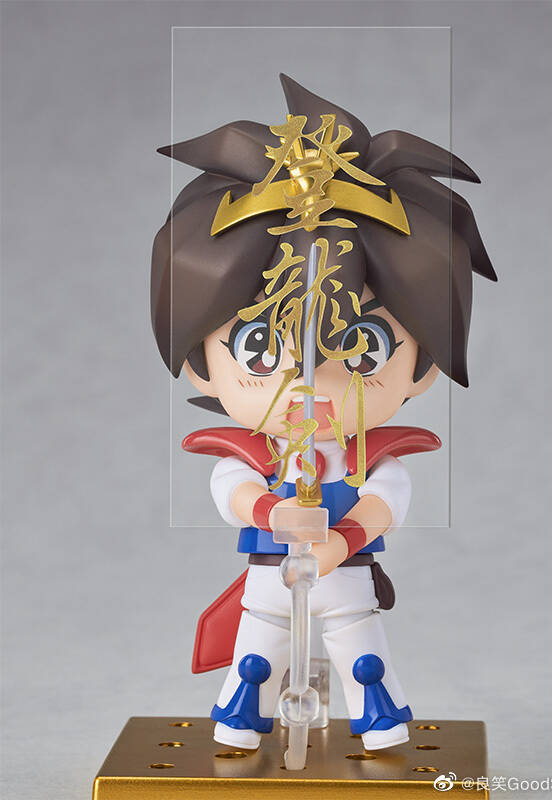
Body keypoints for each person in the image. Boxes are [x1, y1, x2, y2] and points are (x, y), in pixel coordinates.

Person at [151, 74, 496, 751]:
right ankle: (240, 719)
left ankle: (380, 720)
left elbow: (387, 500)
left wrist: (344, 540)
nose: (308, 380)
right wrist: (270, 512)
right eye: (258, 347)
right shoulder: (253, 454)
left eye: (362, 349)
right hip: (269, 572)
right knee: (257, 652)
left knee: (361, 653)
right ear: (199, 361)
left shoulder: (371, 457)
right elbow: (230, 489)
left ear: (423, 366)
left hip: (346, 572)